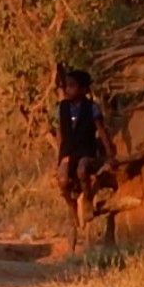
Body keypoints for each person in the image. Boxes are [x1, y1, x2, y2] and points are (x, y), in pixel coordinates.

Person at [53, 69, 112, 240]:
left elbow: (101, 131)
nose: (67, 90)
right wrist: (60, 157)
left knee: (81, 169)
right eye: (66, 86)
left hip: (86, 150)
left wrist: (109, 154)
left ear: (83, 89)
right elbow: (60, 133)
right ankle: (71, 205)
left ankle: (86, 198)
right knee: (62, 179)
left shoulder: (91, 108)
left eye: (72, 86)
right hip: (68, 151)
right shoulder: (62, 108)